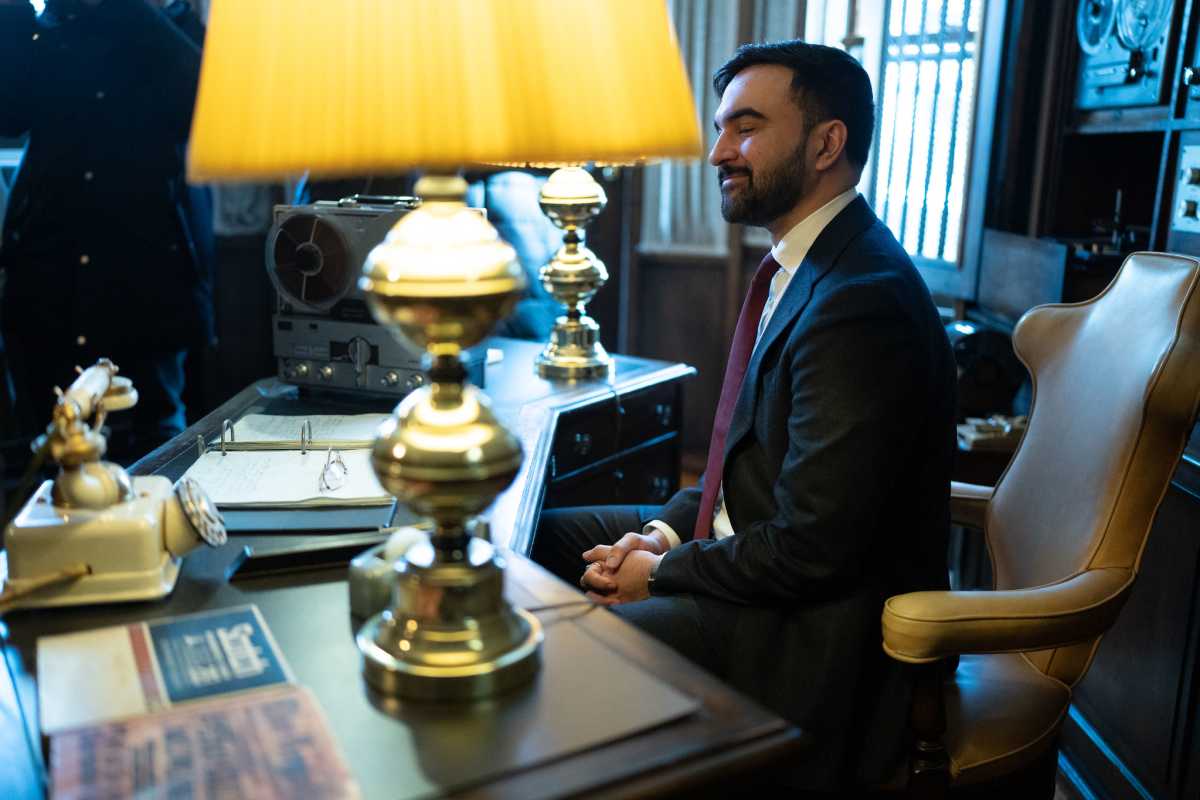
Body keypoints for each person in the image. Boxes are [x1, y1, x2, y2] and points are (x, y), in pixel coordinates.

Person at [531, 41, 956, 791]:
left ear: (827, 143)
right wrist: (660, 533)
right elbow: (742, 463)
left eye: (747, 127)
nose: (719, 150)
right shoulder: (804, 266)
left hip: (809, 630)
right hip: (749, 553)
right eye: (722, 127)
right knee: (539, 533)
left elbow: (814, 548)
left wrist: (662, 573)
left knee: (571, 657)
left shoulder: (862, 298)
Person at [0, 0, 213, 462]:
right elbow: (10, 113)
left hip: (145, 269)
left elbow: (201, 102)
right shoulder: (46, 27)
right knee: (53, 441)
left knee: (155, 439)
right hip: (49, 269)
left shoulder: (171, 23)